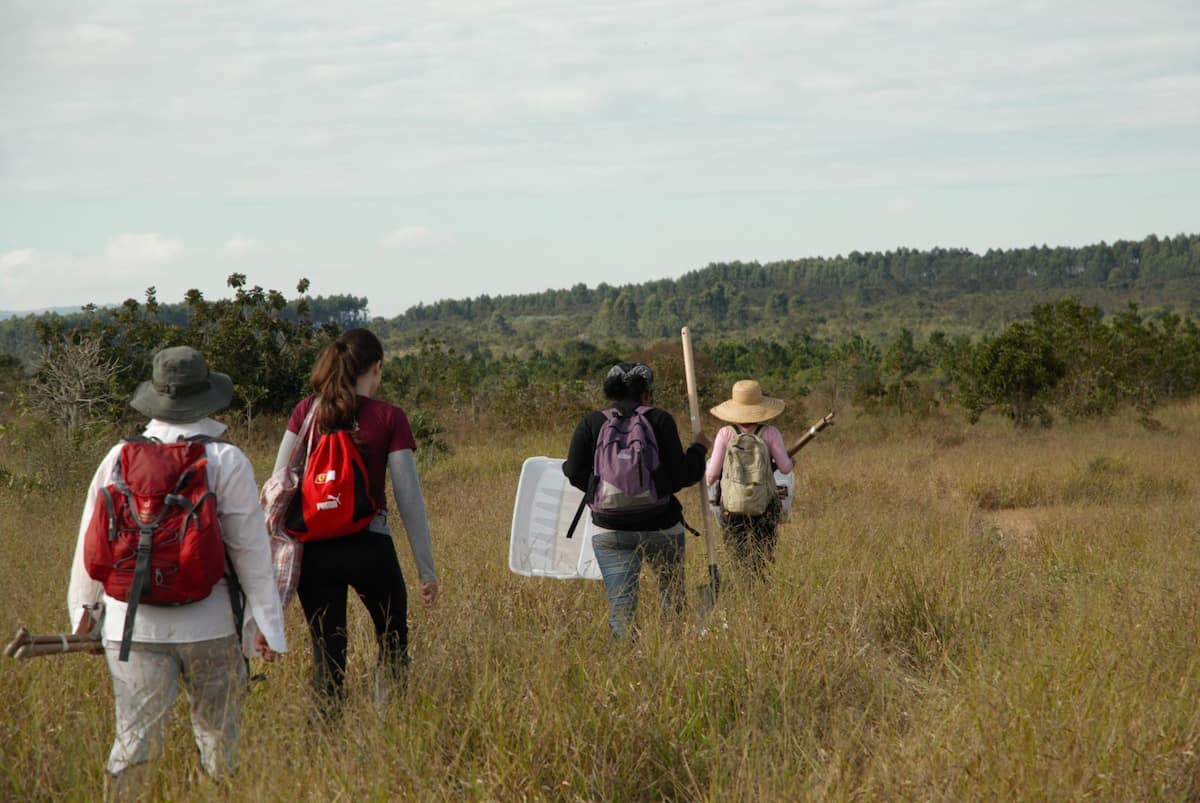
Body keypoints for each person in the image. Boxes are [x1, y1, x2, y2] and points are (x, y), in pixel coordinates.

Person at [67, 345, 287, 796]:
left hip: (130, 626)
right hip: (210, 625)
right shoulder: (227, 460)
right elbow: (252, 554)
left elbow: (91, 542)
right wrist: (266, 626)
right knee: (218, 742)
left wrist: (84, 616)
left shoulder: (117, 456)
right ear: (206, 395)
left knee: (132, 742)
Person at [273, 328, 437, 715]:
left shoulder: (306, 411)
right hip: (371, 546)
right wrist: (425, 569)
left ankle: (322, 744)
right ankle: (389, 724)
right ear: (376, 368)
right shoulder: (389, 417)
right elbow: (409, 499)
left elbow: (279, 480)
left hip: (313, 552)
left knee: (327, 657)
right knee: (393, 640)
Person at [563, 362, 710, 640]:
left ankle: (620, 668)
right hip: (662, 527)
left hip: (610, 531)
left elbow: (572, 470)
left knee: (621, 610)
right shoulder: (660, 419)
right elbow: (682, 476)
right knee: (673, 603)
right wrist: (699, 449)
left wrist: (596, 489)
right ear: (646, 393)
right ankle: (673, 657)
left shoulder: (591, 423)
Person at [704, 379, 794, 579]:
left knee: (737, 558)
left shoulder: (725, 434)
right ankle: (759, 589)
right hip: (765, 507)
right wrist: (790, 461)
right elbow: (786, 469)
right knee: (763, 558)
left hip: (732, 507)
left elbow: (711, 476)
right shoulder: (770, 433)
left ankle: (743, 589)